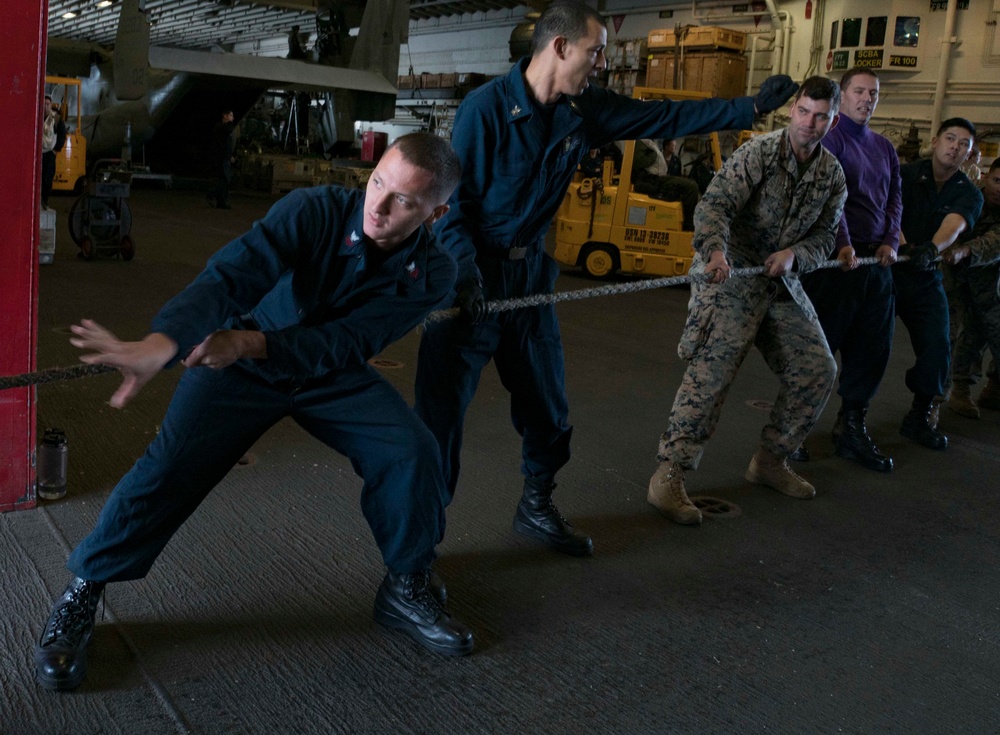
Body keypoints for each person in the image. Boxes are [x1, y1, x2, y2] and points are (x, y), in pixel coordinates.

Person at [33, 133, 473, 694]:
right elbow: (232, 275)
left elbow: (346, 342)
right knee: (168, 468)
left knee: (411, 451)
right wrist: (164, 342)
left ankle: (406, 584)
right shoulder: (314, 210)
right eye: (377, 182)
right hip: (242, 358)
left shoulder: (433, 273)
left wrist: (248, 345)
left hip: (323, 369)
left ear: (435, 214)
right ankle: (84, 589)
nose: (379, 206)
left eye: (403, 201)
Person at [414, 0, 798, 554]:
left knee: (548, 408)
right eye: (595, 51)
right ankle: (419, 548)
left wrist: (748, 107)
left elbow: (661, 117)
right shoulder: (485, 110)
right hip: (469, 275)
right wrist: (466, 274)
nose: (600, 63)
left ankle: (537, 505)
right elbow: (453, 206)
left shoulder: (584, 109)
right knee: (440, 419)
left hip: (530, 280)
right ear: (560, 46)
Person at [648, 76, 847, 525]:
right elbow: (714, 205)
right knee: (712, 372)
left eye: (820, 117)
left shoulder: (832, 174)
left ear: (833, 122)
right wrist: (715, 251)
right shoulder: (759, 153)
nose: (809, 123)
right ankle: (669, 474)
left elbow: (824, 237)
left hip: (779, 280)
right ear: (792, 109)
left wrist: (795, 255)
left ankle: (771, 460)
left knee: (819, 369)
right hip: (731, 272)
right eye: (803, 112)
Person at [797, 68, 899, 473]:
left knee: (872, 349)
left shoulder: (885, 147)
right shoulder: (830, 140)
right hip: (836, 264)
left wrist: (891, 240)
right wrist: (843, 243)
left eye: (873, 93)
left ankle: (851, 429)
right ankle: (794, 429)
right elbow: (831, 199)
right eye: (859, 91)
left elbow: (895, 199)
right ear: (842, 96)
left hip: (875, 265)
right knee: (818, 351)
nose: (867, 99)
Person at [895, 118, 984, 450]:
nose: (955, 147)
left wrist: (932, 248)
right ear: (935, 141)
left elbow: (954, 225)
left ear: (969, 154)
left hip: (925, 274)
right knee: (868, 343)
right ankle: (850, 417)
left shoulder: (968, 193)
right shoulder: (903, 175)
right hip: (889, 269)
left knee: (938, 343)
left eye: (964, 144)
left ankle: (919, 416)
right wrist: (902, 245)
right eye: (950, 138)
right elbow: (889, 212)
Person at [943, 158, 1000, 416]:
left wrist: (965, 250)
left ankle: (993, 387)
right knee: (947, 334)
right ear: (986, 177)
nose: (999, 188)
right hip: (953, 275)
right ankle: (952, 392)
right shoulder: (966, 194)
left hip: (988, 278)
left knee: (988, 331)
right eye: (997, 181)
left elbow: (994, 243)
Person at [627, 138, 701, 231]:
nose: (674, 148)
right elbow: (639, 161)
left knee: (691, 185)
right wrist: (654, 155)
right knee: (691, 187)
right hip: (651, 180)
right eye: (672, 146)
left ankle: (688, 223)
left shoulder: (649, 142)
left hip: (656, 178)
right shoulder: (639, 142)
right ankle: (688, 228)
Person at [40, 94, 66, 210]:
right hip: (37, 154)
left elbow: (62, 135)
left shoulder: (56, 119)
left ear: (51, 105)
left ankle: (44, 201)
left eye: (47, 104)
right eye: (44, 104)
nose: (45, 106)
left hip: (49, 154)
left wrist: (56, 150)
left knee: (47, 179)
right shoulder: (36, 116)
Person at [207, 109, 236, 210]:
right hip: (221, 157)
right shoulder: (221, 128)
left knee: (224, 179)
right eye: (230, 115)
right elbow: (222, 143)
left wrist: (230, 155)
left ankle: (221, 201)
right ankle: (212, 194)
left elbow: (227, 144)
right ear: (225, 116)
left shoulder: (224, 128)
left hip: (225, 156)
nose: (232, 118)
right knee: (226, 179)